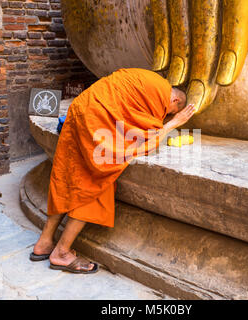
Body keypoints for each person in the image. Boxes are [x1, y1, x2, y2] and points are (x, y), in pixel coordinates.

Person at [31, 68, 195, 273]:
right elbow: (149, 140)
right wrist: (173, 124)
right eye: (168, 113)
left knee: (68, 177)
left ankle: (44, 243)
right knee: (96, 185)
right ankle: (61, 253)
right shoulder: (158, 95)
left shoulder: (147, 78)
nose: (163, 115)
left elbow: (124, 111)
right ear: (175, 102)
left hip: (79, 111)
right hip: (96, 121)